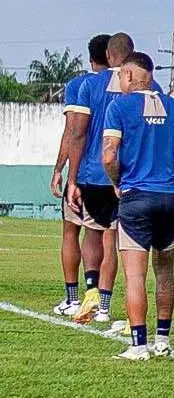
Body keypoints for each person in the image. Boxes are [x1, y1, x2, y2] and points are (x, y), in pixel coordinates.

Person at [99, 53, 174, 360]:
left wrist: (118, 181)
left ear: (130, 76)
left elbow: (108, 155)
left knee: (134, 276)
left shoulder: (119, 106)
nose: (118, 82)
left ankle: (138, 344)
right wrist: (173, 173)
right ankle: (163, 340)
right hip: (169, 198)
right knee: (165, 271)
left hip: (136, 196)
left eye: (120, 77)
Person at [68, 32, 134, 325]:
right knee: (113, 238)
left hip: (93, 174)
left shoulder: (89, 84)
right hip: (127, 175)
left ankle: (91, 290)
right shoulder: (146, 85)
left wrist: (71, 178)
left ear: (108, 55)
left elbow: (78, 133)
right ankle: (105, 306)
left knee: (92, 232)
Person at [51, 33, 112, 317]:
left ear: (91, 57)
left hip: (86, 171)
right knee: (102, 235)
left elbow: (73, 132)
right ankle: (101, 302)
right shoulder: (129, 84)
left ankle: (73, 298)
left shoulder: (80, 84)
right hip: (117, 175)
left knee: (70, 230)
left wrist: (61, 170)